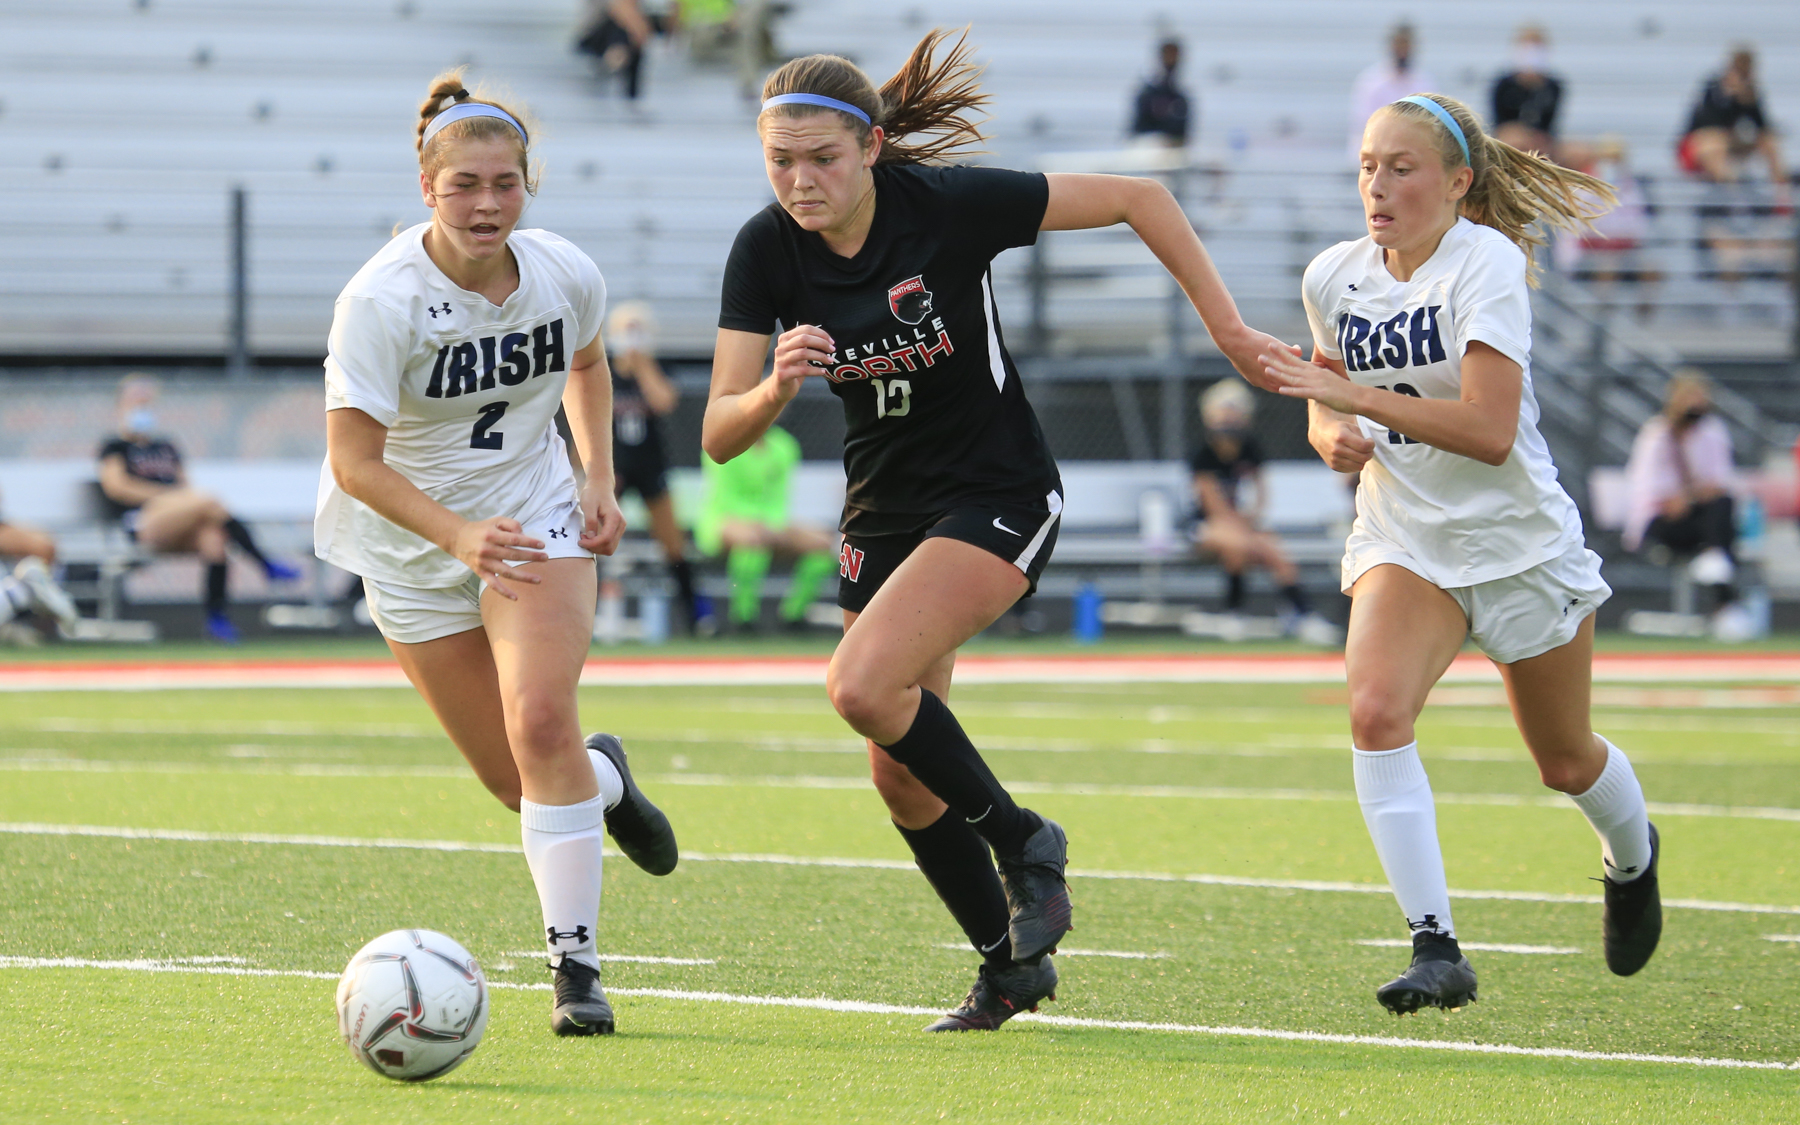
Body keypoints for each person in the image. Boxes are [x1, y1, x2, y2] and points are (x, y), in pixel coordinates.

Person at [703, 30, 1287, 1032]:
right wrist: (770, 390)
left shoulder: (950, 207)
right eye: (781, 162)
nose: (800, 181)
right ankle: (1007, 969)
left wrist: (1227, 331)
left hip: (997, 489)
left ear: (873, 148)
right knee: (896, 770)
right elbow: (718, 433)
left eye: (823, 160)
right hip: (879, 512)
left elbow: (1141, 199)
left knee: (856, 685)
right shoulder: (765, 248)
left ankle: (1025, 842)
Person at [1261, 92, 1663, 1014]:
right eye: (1368, 165)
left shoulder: (1485, 262)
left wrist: (1354, 400)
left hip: (1517, 543)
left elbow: (1485, 430)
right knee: (1373, 710)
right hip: (1407, 535)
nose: (1378, 185)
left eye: (1402, 168)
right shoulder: (1334, 273)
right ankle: (1434, 942)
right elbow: (1328, 397)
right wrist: (1330, 429)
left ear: (1456, 183)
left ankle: (1632, 858)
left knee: (1564, 761)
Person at [315, 71, 679, 1037]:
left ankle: (576, 971)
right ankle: (607, 782)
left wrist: (596, 477)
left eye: (505, 183)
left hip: (533, 518)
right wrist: (457, 536)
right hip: (414, 547)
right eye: (465, 183)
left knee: (541, 720)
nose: (487, 203)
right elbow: (353, 462)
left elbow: (589, 362)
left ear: (529, 183)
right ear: (426, 185)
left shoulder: (564, 270)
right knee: (520, 778)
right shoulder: (380, 299)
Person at [97, 374, 301, 642]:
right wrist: (165, 496)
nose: (142, 409)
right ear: (121, 407)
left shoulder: (166, 446)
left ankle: (217, 619)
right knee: (209, 502)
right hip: (143, 521)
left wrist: (177, 500)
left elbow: (185, 485)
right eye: (135, 403)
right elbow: (117, 487)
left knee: (214, 539)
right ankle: (265, 564)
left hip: (177, 521)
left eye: (147, 404)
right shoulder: (115, 446)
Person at [1188, 379, 1337, 643]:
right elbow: (1214, 508)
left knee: (1274, 550)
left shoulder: (1250, 449)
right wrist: (1247, 532)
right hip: (1206, 527)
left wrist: (1252, 520)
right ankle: (1234, 614)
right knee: (1239, 546)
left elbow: (1260, 494)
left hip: (1243, 526)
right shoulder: (1203, 454)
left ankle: (1302, 614)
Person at [1623, 369, 1748, 637]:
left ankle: (1716, 560)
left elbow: (1721, 481)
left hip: (1700, 516)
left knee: (1722, 507)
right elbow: (1646, 487)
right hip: (1661, 524)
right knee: (1719, 523)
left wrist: (1691, 496)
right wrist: (1678, 499)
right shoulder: (1656, 435)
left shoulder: (1712, 431)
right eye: (1688, 397)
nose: (1694, 404)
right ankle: (1727, 605)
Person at [608, 300, 704, 630]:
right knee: (589, 538)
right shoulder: (602, 369)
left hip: (651, 465)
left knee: (673, 545)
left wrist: (642, 365)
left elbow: (664, 401)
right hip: (613, 467)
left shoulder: (658, 366)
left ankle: (698, 618)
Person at [695, 423, 835, 632]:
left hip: (771, 524)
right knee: (752, 542)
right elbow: (726, 499)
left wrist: (772, 528)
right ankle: (744, 619)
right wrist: (761, 527)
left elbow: (778, 500)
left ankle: (793, 616)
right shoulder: (722, 441)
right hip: (723, 522)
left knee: (826, 545)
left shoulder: (785, 446)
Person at [1678, 48, 1793, 285]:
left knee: (1769, 143)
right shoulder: (1712, 87)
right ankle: (1727, 187)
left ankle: (1782, 195)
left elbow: (1763, 126)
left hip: (1730, 143)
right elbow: (1705, 124)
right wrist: (1730, 97)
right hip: (1699, 145)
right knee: (1715, 143)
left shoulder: (1751, 92)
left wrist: (1748, 102)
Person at [1348, 22, 1437, 162]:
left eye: (1406, 45)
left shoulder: (1424, 83)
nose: (1402, 51)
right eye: (1399, 45)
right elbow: (1363, 126)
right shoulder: (1372, 82)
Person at [1489, 24, 1561, 158]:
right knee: (1515, 141)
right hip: (1509, 139)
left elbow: (1550, 127)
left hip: (1541, 141)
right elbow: (1499, 125)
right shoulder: (1503, 85)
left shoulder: (1552, 87)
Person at [1128, 37, 1191, 148]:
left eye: (1174, 57)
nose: (1171, 61)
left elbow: (1183, 136)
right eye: (1167, 56)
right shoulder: (1147, 95)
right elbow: (1137, 131)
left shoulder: (1180, 99)